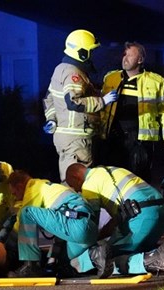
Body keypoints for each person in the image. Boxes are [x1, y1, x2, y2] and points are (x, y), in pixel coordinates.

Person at [65, 163, 164, 277]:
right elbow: (117, 220)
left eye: (74, 186)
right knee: (135, 247)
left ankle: (158, 258)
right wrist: (103, 236)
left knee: (106, 259)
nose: (77, 190)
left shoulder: (89, 185)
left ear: (76, 177)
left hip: (142, 217)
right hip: (162, 212)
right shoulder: (112, 170)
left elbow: (89, 227)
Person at [42, 29, 118, 183]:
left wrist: (51, 119)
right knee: (79, 183)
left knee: (69, 179)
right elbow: (73, 102)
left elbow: (49, 98)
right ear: (82, 53)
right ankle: (78, 207)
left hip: (65, 137)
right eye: (91, 51)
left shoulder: (60, 69)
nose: (94, 55)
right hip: (77, 139)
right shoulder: (73, 73)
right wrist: (103, 101)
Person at [6, 170, 110, 278]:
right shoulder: (48, 187)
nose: (15, 197)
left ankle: (31, 267)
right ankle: (96, 254)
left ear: (19, 186)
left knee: (26, 213)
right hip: (85, 231)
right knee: (48, 246)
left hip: (76, 222)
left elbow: (21, 226)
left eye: (14, 193)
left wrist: (6, 246)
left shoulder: (34, 188)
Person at [99, 42, 164, 183]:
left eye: (130, 55)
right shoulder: (111, 78)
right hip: (114, 139)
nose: (125, 58)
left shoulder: (156, 81)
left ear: (140, 60)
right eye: (124, 54)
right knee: (113, 181)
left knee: (139, 181)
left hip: (141, 142)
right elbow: (101, 108)